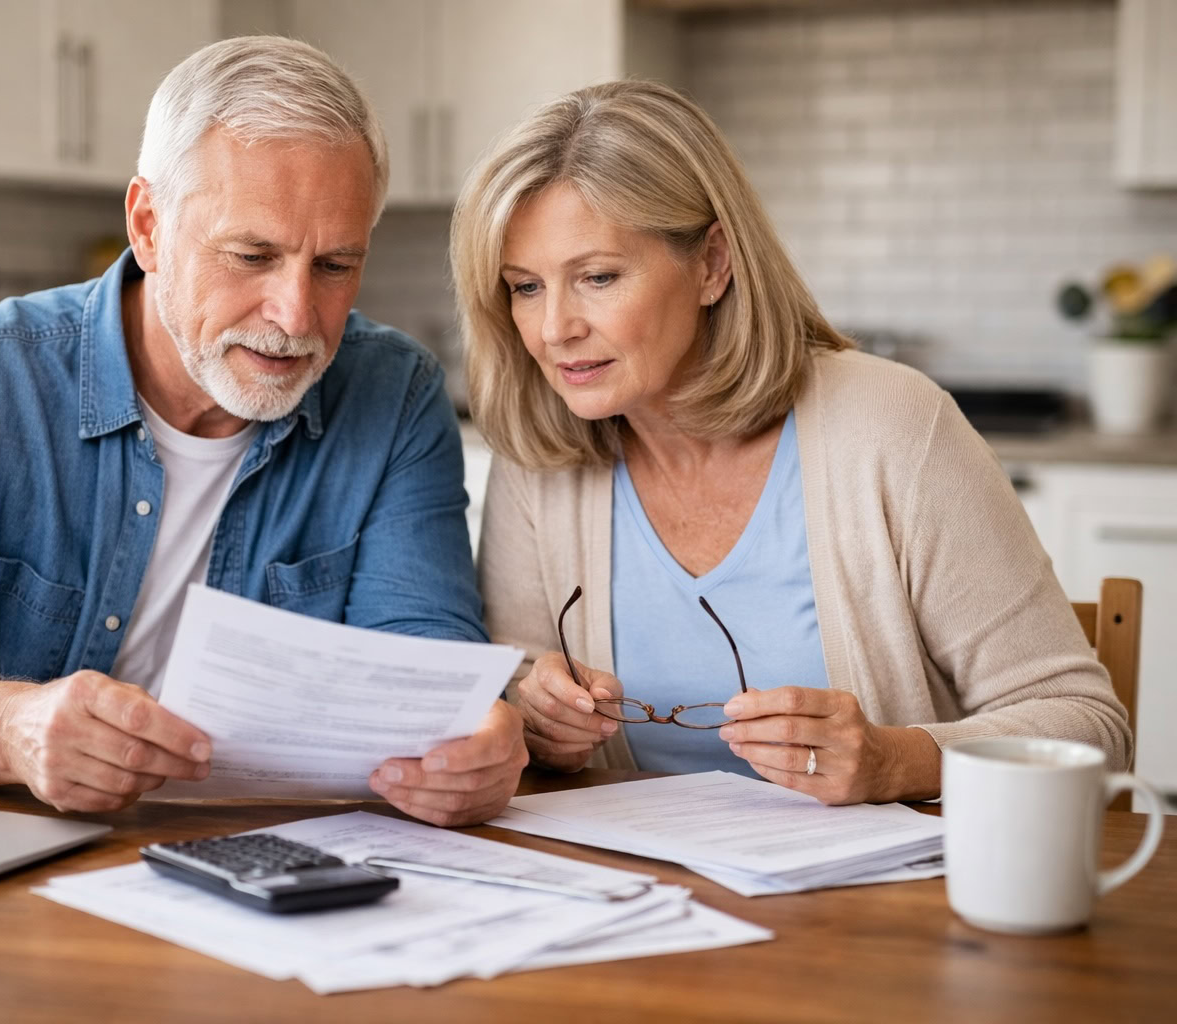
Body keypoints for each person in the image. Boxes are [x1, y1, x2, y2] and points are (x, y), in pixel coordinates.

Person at [0, 37, 525, 826]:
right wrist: (12, 728)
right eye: (252, 255)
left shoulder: (395, 394)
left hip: (270, 861)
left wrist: (469, 744)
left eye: (334, 266)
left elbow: (424, 668)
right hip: (8, 857)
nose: (296, 315)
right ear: (148, 225)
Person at [451, 80, 1129, 804]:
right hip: (639, 897)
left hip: (881, 908)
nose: (554, 329)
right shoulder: (542, 461)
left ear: (712, 263)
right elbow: (515, 692)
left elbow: (1088, 726)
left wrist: (891, 761)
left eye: (597, 277)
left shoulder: (893, 426)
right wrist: (535, 720)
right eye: (525, 287)